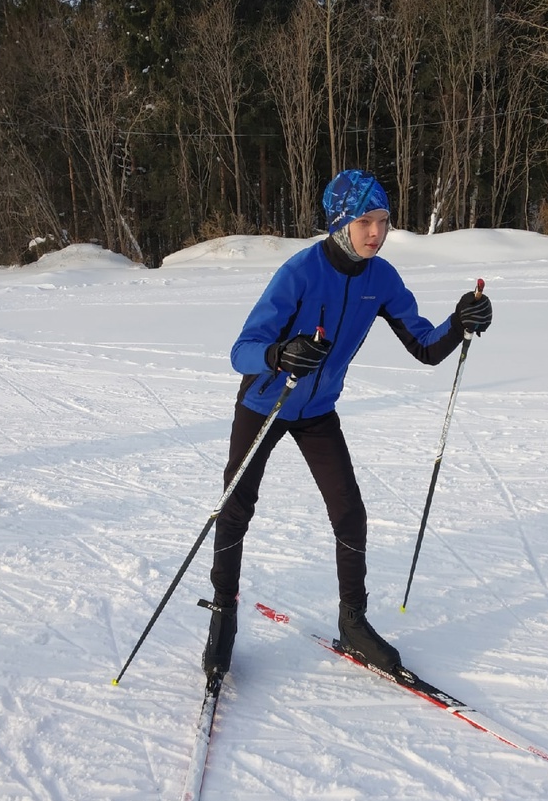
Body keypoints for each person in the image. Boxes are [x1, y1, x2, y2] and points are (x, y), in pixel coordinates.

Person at [202, 169, 492, 680]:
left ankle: (353, 621)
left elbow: (425, 346)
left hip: (316, 410)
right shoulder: (299, 272)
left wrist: (460, 320)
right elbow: (240, 351)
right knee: (236, 505)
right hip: (266, 402)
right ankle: (223, 615)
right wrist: (280, 353)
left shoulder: (380, 278)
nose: (376, 233)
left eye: (382, 221)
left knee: (350, 513)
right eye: (365, 221)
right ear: (340, 222)